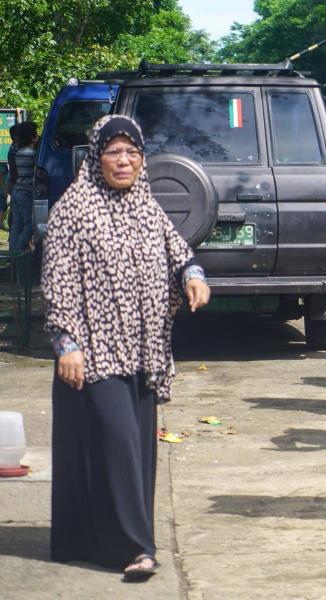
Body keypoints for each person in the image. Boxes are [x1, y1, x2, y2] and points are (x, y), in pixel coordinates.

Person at [42, 115, 211, 581]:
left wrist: (193, 277)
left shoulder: (147, 205)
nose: (124, 160)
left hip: (142, 351)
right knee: (118, 441)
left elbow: (180, 252)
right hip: (93, 351)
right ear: (97, 158)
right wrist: (66, 343)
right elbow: (56, 282)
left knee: (134, 448)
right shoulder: (73, 208)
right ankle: (140, 548)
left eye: (132, 152)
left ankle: (98, 542)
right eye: (114, 152)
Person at [9, 121, 38, 251]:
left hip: (17, 190)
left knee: (16, 224)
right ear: (32, 137)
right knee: (29, 225)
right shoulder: (32, 154)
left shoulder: (19, 152)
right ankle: (19, 252)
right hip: (26, 192)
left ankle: (12, 252)